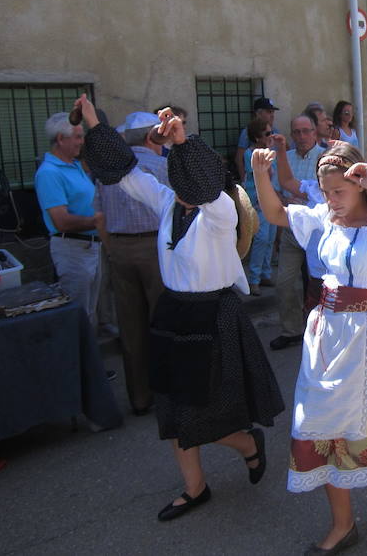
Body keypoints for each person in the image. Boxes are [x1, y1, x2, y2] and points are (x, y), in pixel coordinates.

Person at [75, 95, 284, 522]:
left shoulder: (221, 211)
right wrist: (96, 124)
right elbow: (125, 173)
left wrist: (181, 140)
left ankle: (247, 443)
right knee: (173, 407)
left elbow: (205, 184)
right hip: (174, 314)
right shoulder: (166, 201)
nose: (179, 178)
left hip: (214, 315)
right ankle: (195, 487)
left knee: (208, 408)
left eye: (185, 170)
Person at [252, 142, 367, 553]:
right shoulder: (323, 218)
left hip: (366, 336)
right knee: (319, 428)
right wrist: (259, 174)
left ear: (359, 186)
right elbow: (275, 213)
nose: (330, 199)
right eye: (325, 192)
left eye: (338, 191)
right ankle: (342, 525)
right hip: (324, 333)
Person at [96, 111, 168, 415]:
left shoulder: (106, 172)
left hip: (120, 247)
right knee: (164, 322)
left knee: (131, 326)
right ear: (153, 137)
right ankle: (169, 395)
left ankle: (140, 398)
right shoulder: (161, 166)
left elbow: (99, 216)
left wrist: (112, 248)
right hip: (154, 247)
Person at [35, 112, 105, 326]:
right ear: (60, 139)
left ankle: (87, 358)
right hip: (72, 249)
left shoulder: (74, 165)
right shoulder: (49, 173)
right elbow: (61, 221)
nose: (81, 142)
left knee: (89, 313)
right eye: (77, 136)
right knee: (77, 315)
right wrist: (98, 221)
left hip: (91, 247)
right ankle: (76, 359)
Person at [271, 116, 326, 350]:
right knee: (284, 282)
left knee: (318, 283)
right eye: (297, 132)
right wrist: (285, 199)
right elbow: (280, 188)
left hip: (319, 233)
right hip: (293, 228)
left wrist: (303, 201)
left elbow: (325, 193)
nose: (302, 136)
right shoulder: (286, 158)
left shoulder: (325, 157)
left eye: (306, 131)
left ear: (315, 133)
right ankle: (292, 330)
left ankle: (319, 331)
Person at [243, 119, 276, 294]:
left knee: (270, 238)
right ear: (257, 137)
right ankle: (254, 279)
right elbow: (267, 173)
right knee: (261, 238)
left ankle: (265, 273)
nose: (270, 136)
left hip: (270, 198)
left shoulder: (269, 152)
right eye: (267, 133)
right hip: (257, 200)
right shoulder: (251, 154)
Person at [235, 98, 279, 182]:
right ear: (258, 113)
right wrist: (244, 181)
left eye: (273, 112)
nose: (272, 115)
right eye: (269, 112)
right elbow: (239, 158)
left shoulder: (276, 131)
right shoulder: (247, 132)